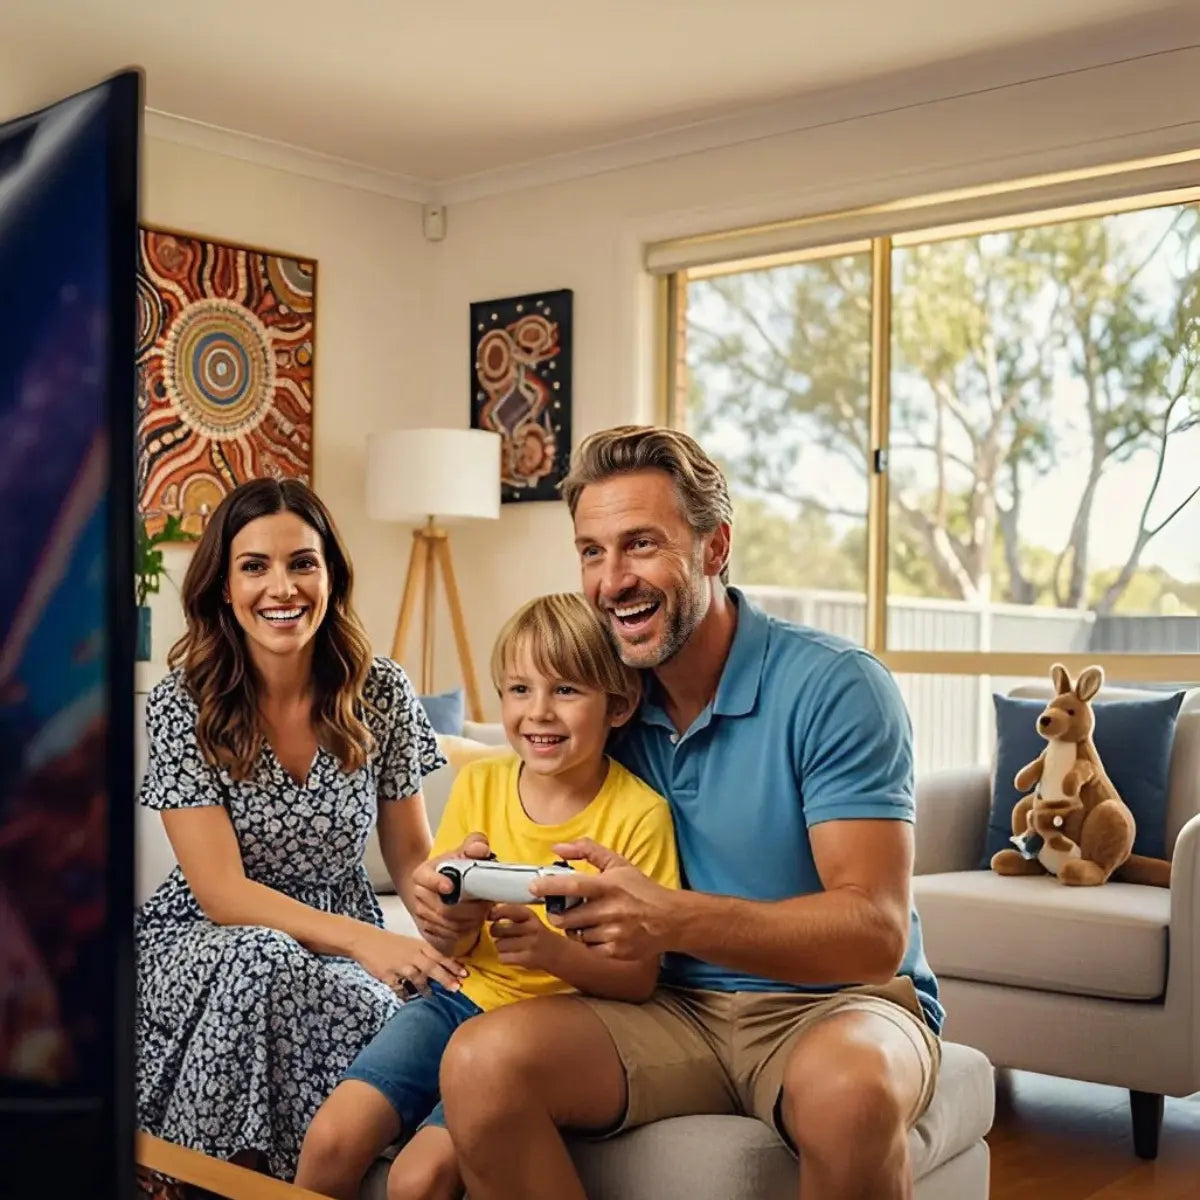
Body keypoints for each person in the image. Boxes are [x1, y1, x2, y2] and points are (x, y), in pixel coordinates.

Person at [419, 425, 946, 1200]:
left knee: (848, 1093)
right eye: (591, 552)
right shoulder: (606, 704)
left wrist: (670, 918)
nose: (611, 580)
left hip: (833, 1005)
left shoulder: (836, 687)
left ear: (714, 547)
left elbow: (873, 935)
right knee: (478, 1062)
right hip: (664, 1007)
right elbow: (508, 831)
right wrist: (449, 906)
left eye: (640, 545)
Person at [294, 592, 680, 1200]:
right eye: (519, 690)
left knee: (417, 1178)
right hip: (456, 999)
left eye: (568, 690)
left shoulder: (640, 816)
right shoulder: (479, 783)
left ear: (620, 703)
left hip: (549, 1028)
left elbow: (638, 981)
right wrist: (451, 911)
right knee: (330, 1142)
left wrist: (553, 956)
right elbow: (450, 936)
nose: (539, 713)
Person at [134, 477, 462, 1182]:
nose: (281, 588)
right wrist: (369, 940)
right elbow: (221, 893)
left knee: (428, 1020)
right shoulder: (178, 705)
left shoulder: (382, 691)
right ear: (224, 586)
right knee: (262, 959)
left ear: (330, 575)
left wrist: (454, 914)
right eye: (254, 566)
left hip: (337, 948)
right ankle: (199, 1184)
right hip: (201, 942)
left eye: (301, 563)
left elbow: (412, 857)